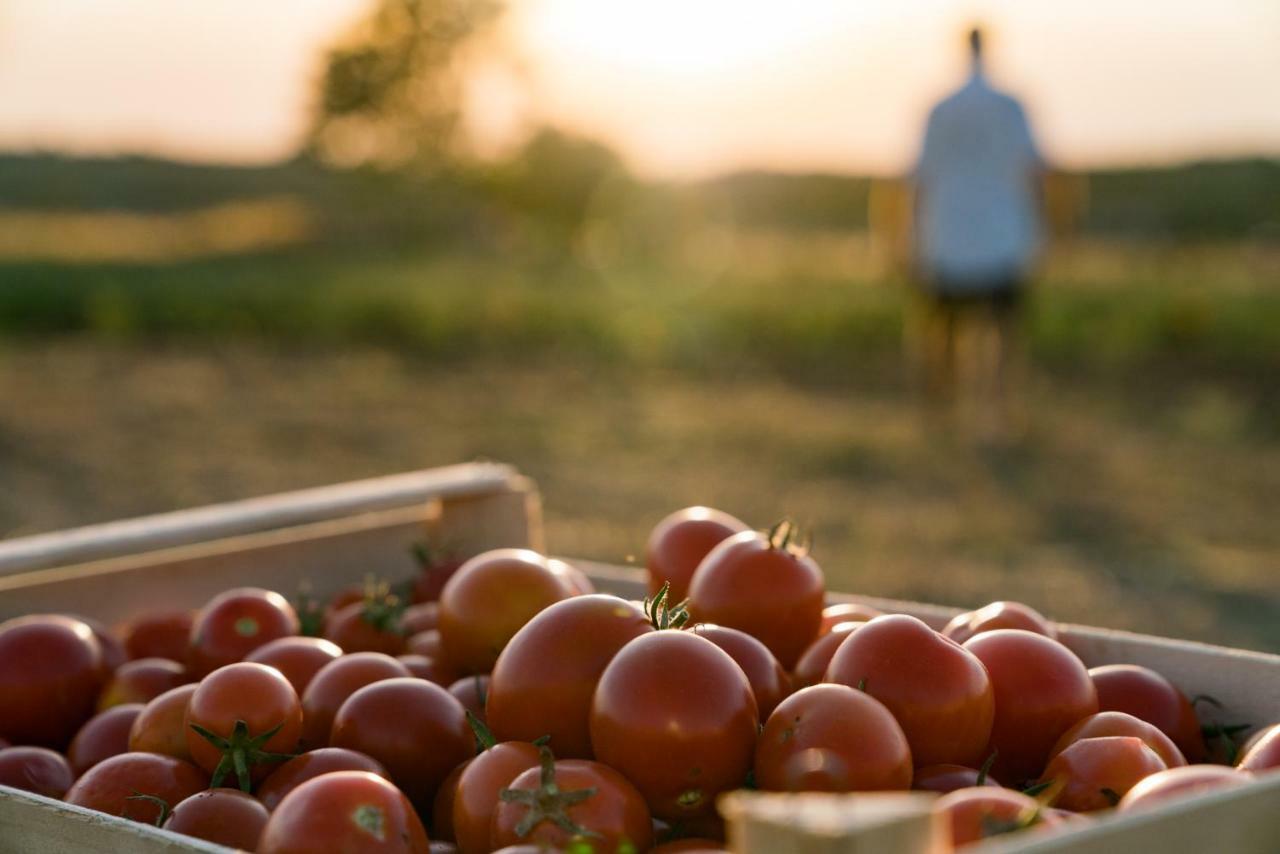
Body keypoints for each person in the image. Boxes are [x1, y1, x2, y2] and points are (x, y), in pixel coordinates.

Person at [910, 26, 1045, 439]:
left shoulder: (940, 108)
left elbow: (919, 179)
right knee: (1002, 334)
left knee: (944, 331)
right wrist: (1046, 230)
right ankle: (996, 414)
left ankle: (941, 412)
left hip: (946, 235)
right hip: (1004, 236)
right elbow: (1035, 172)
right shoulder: (1011, 106)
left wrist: (907, 237)